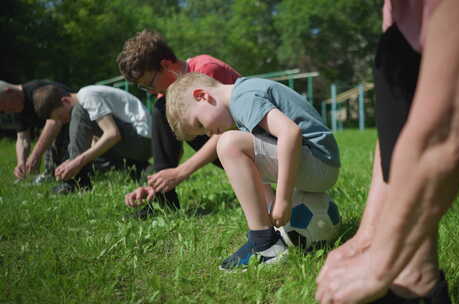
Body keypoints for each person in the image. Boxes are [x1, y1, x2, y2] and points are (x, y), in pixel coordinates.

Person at [315, 1, 459, 303]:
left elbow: (444, 134)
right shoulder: (401, 7)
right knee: (397, 53)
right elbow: (406, 113)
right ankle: (414, 274)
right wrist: (370, 235)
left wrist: (378, 265)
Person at [164, 72, 341, 270]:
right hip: (321, 162)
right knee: (241, 144)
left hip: (319, 163)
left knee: (229, 144)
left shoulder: (243, 98)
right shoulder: (243, 93)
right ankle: (270, 225)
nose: (209, 133)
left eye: (200, 125)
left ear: (202, 96)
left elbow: (290, 133)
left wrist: (283, 199)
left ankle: (265, 245)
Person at [117, 29, 244, 219]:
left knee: (162, 106)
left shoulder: (205, 69)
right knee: (162, 107)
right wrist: (156, 184)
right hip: (229, 144)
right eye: (145, 88)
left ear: (166, 65)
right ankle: (163, 199)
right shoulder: (170, 94)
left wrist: (180, 172)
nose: (151, 92)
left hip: (253, 143)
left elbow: (227, 130)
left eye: (149, 84)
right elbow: (172, 146)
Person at [34, 84, 152, 194]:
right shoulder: (88, 97)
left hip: (141, 140)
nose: (64, 121)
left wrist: (76, 161)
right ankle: (142, 170)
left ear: (65, 101)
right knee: (92, 152)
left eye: (60, 116)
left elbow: (112, 134)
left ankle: (76, 182)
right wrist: (70, 162)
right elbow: (99, 142)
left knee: (80, 111)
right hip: (139, 146)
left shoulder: (86, 95)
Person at [0, 80, 72, 182]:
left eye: (3, 105)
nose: (5, 111)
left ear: (9, 92)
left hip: (74, 124)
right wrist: (21, 162)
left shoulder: (38, 91)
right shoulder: (16, 108)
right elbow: (22, 138)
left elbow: (55, 122)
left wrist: (35, 155)